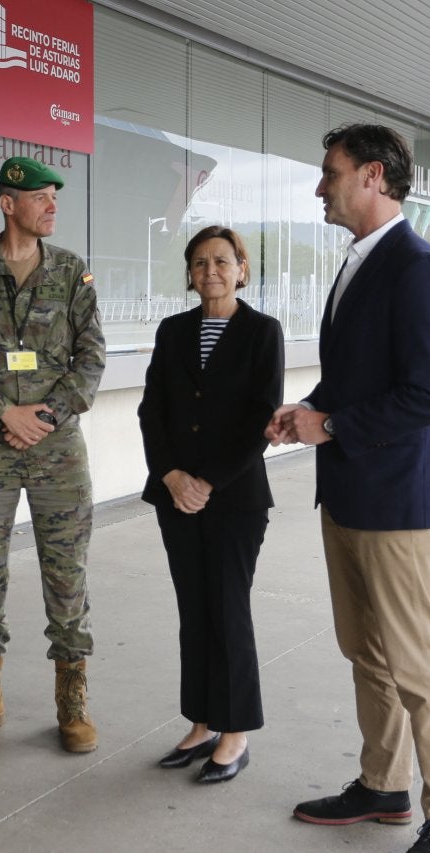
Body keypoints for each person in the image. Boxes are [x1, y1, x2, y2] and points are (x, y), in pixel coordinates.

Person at [265, 124, 430, 853]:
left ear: (373, 176)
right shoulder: (361, 262)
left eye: (331, 172)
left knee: (415, 660)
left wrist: (331, 425)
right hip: (351, 492)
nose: (320, 186)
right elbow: (360, 377)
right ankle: (384, 784)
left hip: (398, 501)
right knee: (367, 651)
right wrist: (307, 410)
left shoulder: (418, 267)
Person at [0, 155, 106, 754]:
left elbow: (92, 357)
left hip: (57, 448)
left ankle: (72, 698)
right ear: (8, 204)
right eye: (40, 196)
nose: (52, 205)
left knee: (67, 570)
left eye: (55, 195)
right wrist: (4, 412)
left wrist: (46, 416)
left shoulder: (71, 270)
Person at [138, 225, 284, 785]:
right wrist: (172, 475)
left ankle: (236, 734)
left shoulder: (262, 332)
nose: (211, 271)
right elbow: (153, 411)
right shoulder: (173, 330)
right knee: (193, 611)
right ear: (190, 273)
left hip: (235, 499)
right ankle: (200, 723)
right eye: (200, 262)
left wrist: (207, 481)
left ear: (242, 270)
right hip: (175, 496)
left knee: (228, 610)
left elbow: (261, 418)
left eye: (222, 261)